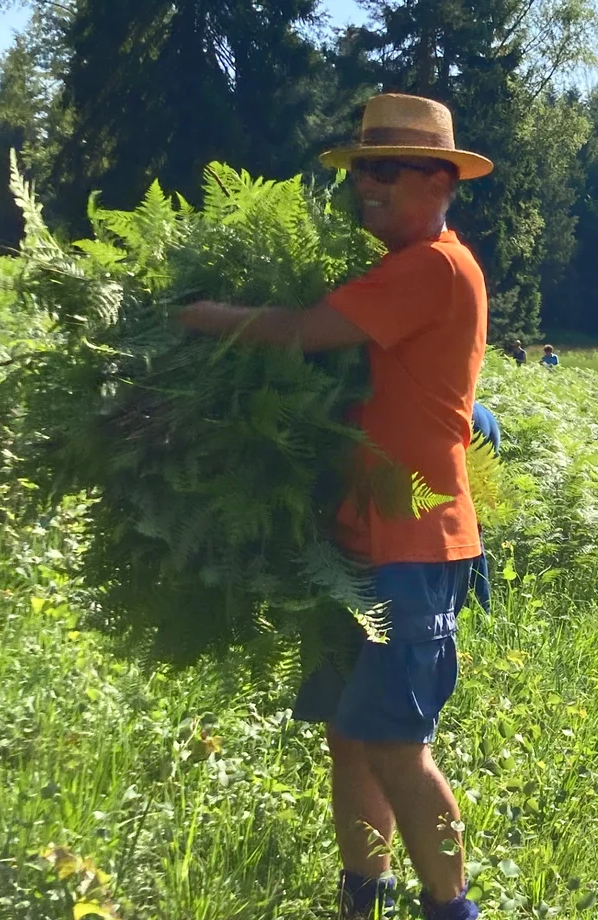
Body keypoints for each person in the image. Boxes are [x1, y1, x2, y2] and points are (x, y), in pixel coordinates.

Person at [176, 93, 491, 920]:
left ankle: (451, 910)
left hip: (413, 546)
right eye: (360, 170)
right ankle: (365, 896)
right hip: (360, 541)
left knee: (395, 744)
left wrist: (200, 318)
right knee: (350, 735)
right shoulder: (402, 267)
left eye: (386, 170)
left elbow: (303, 331)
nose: (366, 186)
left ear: (438, 180)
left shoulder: (430, 265)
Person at [468, 401, 501, 613]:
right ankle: (484, 611)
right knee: (474, 524)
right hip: (484, 416)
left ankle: (478, 610)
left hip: (470, 419)